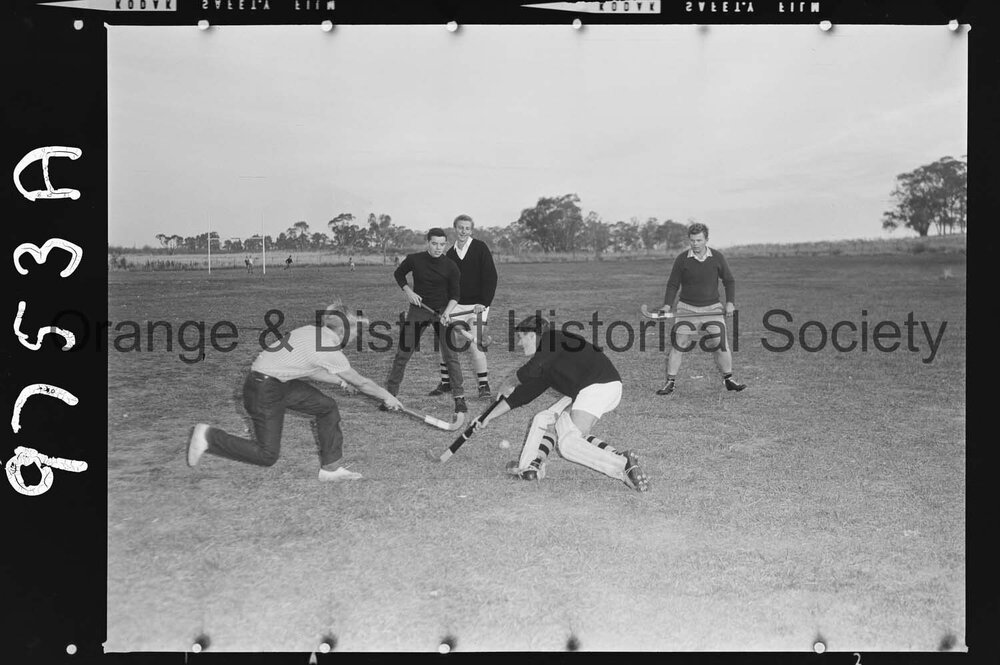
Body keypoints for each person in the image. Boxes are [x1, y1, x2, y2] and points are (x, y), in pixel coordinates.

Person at [187, 300, 403, 481]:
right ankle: (208, 436)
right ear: (343, 330)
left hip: (277, 383)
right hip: (264, 390)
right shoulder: (328, 346)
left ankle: (331, 469)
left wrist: (339, 381)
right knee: (267, 455)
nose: (357, 337)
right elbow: (362, 383)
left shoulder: (311, 332)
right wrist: (387, 396)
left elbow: (306, 370)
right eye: (356, 331)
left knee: (326, 407)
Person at [475, 314, 649, 492]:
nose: (519, 344)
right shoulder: (549, 360)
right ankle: (528, 467)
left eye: (521, 338)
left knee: (568, 444)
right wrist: (487, 416)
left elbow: (533, 367)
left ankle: (622, 464)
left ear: (532, 335)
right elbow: (521, 396)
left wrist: (510, 381)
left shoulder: (553, 338)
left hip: (598, 386)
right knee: (544, 418)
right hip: (591, 389)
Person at [657, 222, 746, 395]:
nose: (695, 244)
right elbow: (673, 283)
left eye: (698, 240)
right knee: (679, 345)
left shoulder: (717, 257)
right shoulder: (682, 259)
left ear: (706, 240)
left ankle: (729, 379)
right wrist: (667, 305)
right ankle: (670, 382)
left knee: (721, 344)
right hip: (686, 309)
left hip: (712, 308)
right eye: (692, 240)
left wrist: (730, 303)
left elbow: (729, 281)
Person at [385, 228, 467, 413]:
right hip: (419, 310)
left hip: (442, 312)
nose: (438, 248)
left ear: (446, 244)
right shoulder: (415, 259)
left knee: (451, 356)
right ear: (428, 243)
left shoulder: (451, 266)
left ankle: (459, 398)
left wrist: (447, 312)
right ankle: (390, 396)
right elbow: (399, 274)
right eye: (434, 243)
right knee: (403, 353)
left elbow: (455, 294)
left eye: (442, 244)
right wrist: (409, 291)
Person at [428, 214, 499, 400]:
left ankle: (483, 385)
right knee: (447, 343)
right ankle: (446, 383)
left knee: (476, 346)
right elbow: (446, 283)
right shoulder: (449, 254)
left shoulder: (480, 248)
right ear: (455, 229)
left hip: (477, 306)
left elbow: (491, 278)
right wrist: (444, 307)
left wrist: (483, 303)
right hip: (456, 306)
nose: (463, 231)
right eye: (460, 228)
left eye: (467, 228)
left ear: (471, 230)